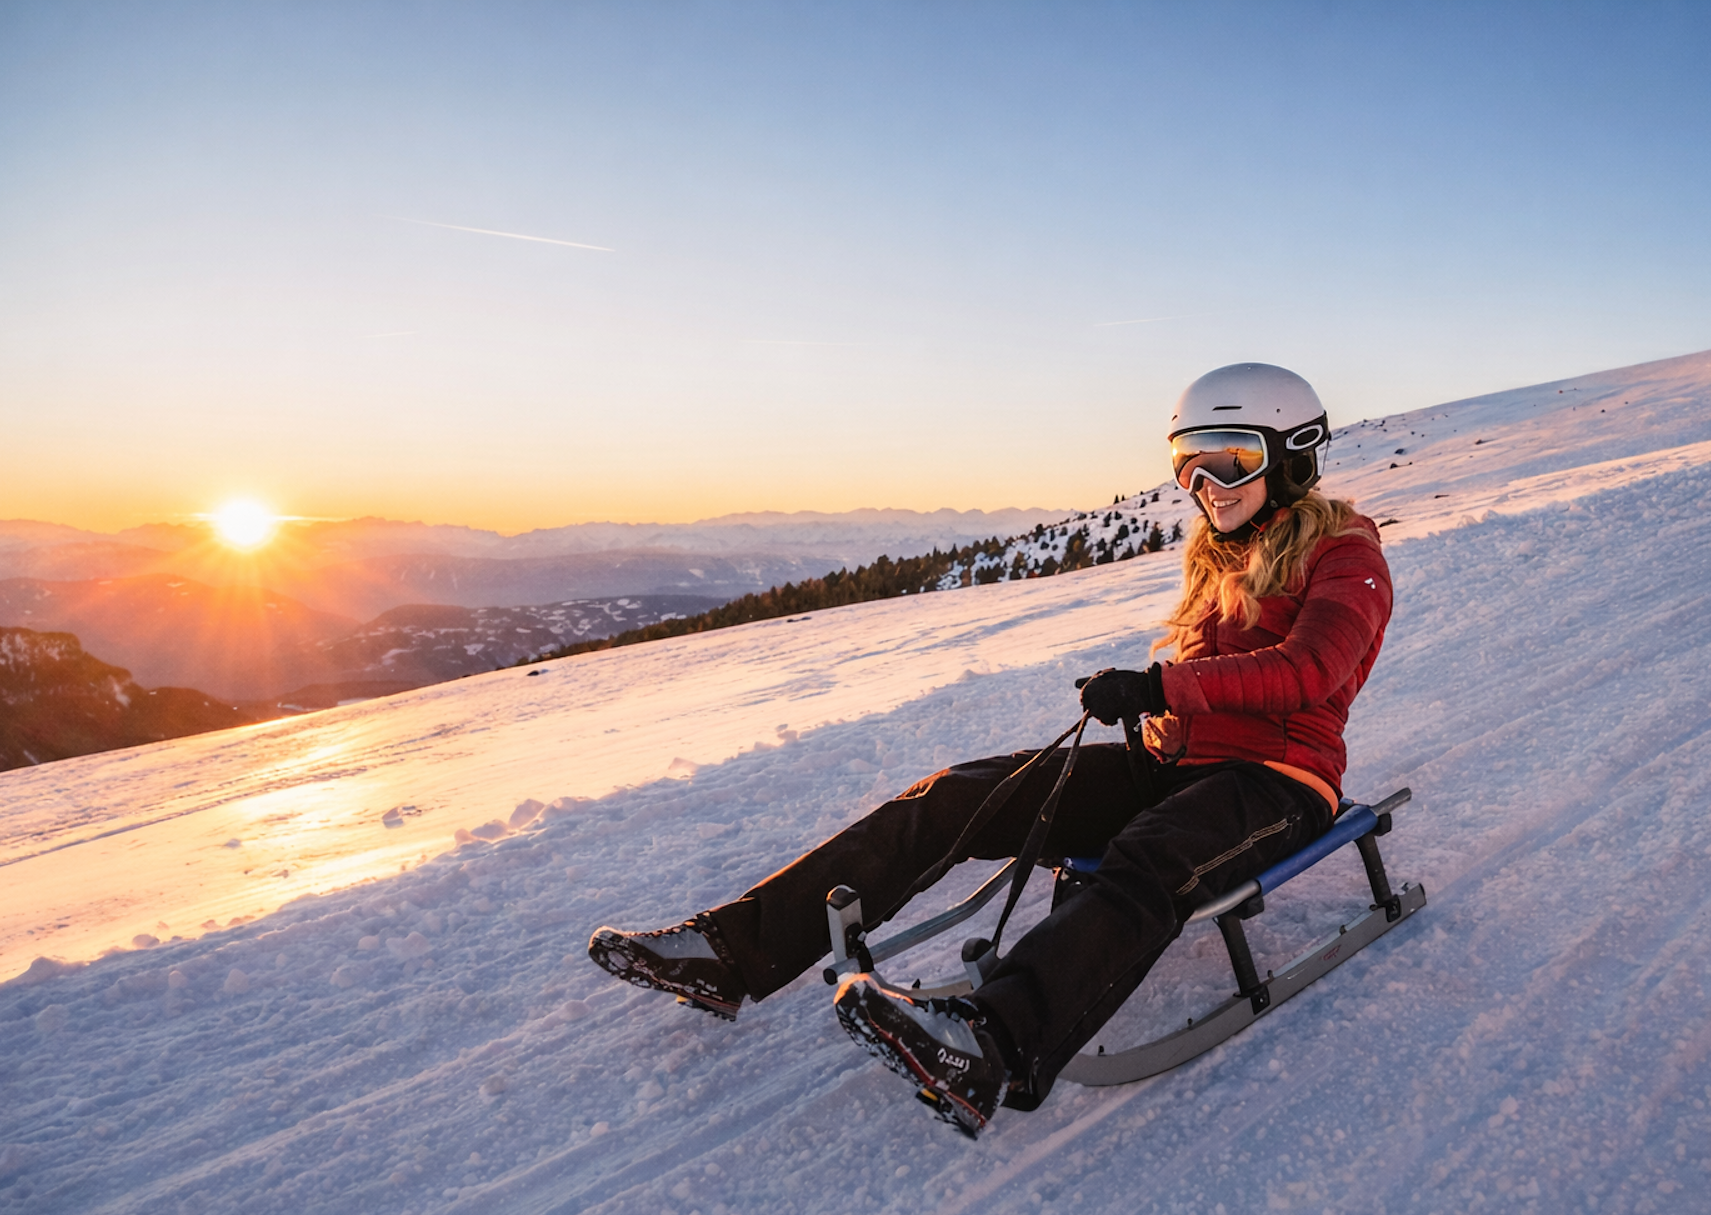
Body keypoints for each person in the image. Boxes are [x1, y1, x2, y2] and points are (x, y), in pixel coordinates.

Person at [587, 363, 1394, 1136]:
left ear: (1293, 457)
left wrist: (1162, 688)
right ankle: (732, 952)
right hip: (1172, 762)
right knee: (963, 794)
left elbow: (1312, 670)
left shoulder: (1347, 554)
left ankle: (992, 1046)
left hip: (1277, 782)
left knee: (1148, 859)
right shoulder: (1225, 553)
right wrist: (1152, 712)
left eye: (1230, 460)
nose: (1205, 487)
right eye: (1188, 467)